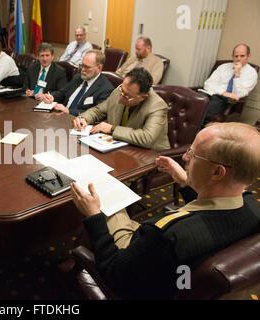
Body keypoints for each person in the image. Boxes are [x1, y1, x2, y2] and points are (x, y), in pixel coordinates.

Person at [70, 122, 260, 299]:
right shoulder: (250, 207)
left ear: (217, 172)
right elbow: (213, 219)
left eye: (193, 154)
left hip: (137, 276)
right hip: (174, 272)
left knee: (108, 205)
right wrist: (186, 182)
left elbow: (114, 272)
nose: (185, 157)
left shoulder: (163, 235)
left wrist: (94, 216)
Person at [73, 67, 170, 151]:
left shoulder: (157, 106)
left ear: (143, 97)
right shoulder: (121, 91)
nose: (121, 97)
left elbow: (147, 138)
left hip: (151, 156)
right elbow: (99, 110)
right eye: (122, 90)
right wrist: (84, 118)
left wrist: (112, 129)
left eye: (127, 96)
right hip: (120, 147)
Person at [41, 49, 113, 116]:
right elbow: (62, 93)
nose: (82, 69)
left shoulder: (106, 89)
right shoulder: (78, 77)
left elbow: (96, 113)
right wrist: (52, 97)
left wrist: (68, 111)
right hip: (60, 116)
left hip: (80, 123)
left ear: (99, 68)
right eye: (82, 65)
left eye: (87, 67)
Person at [201, 44, 258, 122]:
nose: (238, 59)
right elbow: (208, 84)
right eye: (236, 56)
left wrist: (237, 74)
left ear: (248, 56)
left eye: (242, 56)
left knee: (200, 111)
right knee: (191, 102)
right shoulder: (223, 67)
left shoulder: (251, 73)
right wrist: (223, 92)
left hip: (223, 100)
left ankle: (194, 132)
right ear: (232, 57)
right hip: (208, 94)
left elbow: (239, 94)